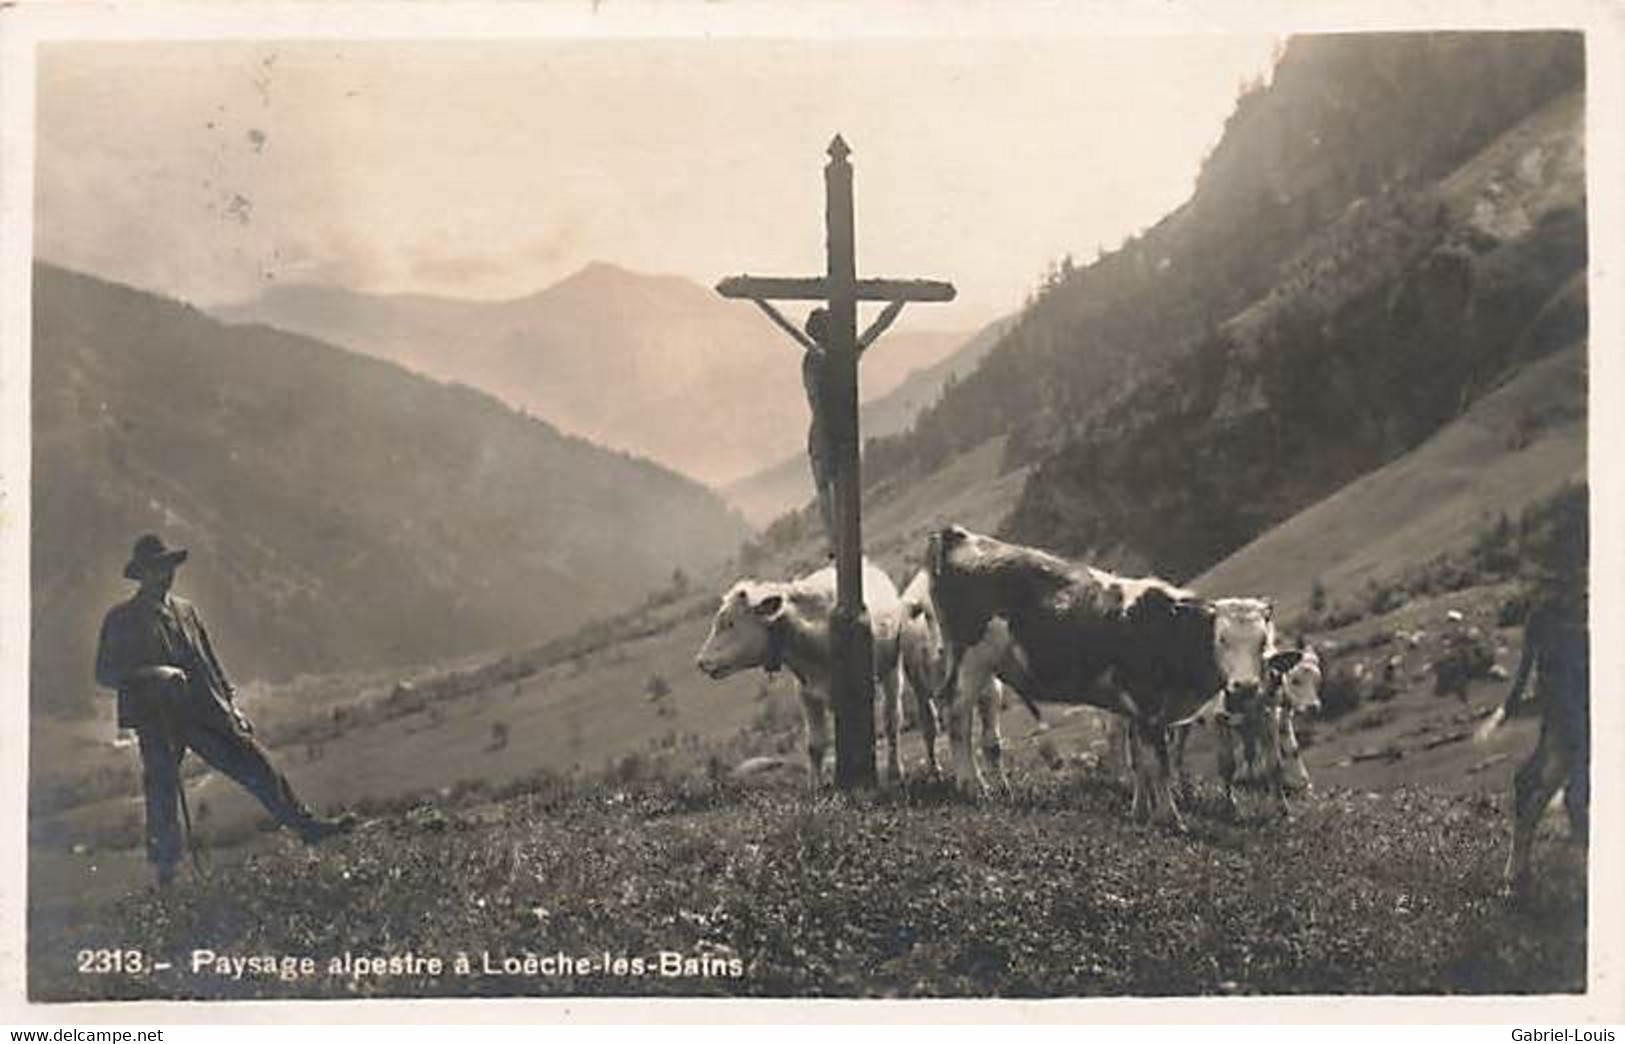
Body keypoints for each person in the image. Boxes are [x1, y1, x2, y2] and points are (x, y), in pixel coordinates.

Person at [95, 533, 356, 887]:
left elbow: (210, 665)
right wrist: (153, 673)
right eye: (157, 569)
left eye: (168, 567)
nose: (165, 575)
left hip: (204, 711)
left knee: (257, 761)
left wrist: (232, 705)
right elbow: (106, 673)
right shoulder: (122, 619)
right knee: (162, 789)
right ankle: (167, 874)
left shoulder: (186, 611)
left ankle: (307, 826)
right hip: (157, 718)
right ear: (141, 574)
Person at [799, 302, 905, 552]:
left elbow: (877, 328)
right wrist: (899, 302)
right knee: (833, 493)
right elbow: (877, 328)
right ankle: (837, 543)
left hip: (829, 434)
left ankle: (837, 543)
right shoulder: (832, 357)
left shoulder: (818, 358)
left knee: (829, 493)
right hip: (835, 434)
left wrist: (899, 303)